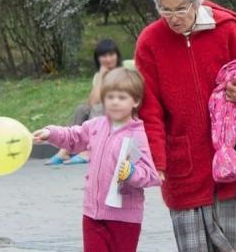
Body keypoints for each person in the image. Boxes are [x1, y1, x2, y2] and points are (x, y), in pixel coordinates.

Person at [134, 0, 236, 252]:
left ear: (196, 4)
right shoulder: (150, 41)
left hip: (227, 156)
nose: (173, 17)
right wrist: (157, 161)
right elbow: (149, 108)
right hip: (182, 160)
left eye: (180, 9)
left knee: (234, 241)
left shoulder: (226, 31)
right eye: (165, 10)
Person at [33, 67, 161, 252]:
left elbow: (150, 174)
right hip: (92, 214)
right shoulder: (96, 125)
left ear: (136, 101)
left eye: (122, 97)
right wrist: (51, 133)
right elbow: (73, 137)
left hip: (124, 218)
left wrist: (132, 173)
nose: (115, 102)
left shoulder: (138, 135)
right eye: (110, 97)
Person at [45, 39, 123, 165]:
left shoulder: (126, 71)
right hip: (104, 112)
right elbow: (91, 102)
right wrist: (101, 76)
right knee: (82, 108)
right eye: (104, 56)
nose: (108, 59)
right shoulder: (99, 75)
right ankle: (65, 150)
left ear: (117, 56)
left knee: (99, 106)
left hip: (123, 111)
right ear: (98, 59)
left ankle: (89, 151)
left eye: (111, 54)